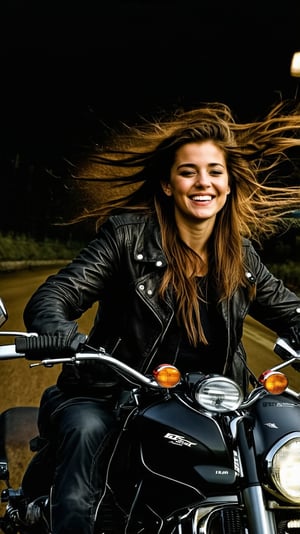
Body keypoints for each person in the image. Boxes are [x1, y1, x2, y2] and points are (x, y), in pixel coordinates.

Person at [23, 100, 300, 533]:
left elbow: (291, 311)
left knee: (282, 446)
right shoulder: (126, 237)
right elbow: (56, 294)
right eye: (188, 171)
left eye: (214, 171)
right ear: (169, 185)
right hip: (115, 393)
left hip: (208, 405)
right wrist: (59, 332)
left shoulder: (241, 257)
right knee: (85, 435)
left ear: (228, 185)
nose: (202, 182)